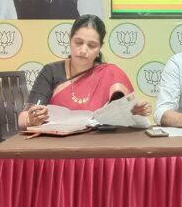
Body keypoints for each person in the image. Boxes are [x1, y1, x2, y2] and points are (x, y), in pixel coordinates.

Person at [19, 15, 151, 128]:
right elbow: (23, 118)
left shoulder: (111, 74)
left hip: (99, 144)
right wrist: (31, 119)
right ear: (69, 40)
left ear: (100, 48)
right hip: (58, 144)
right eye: (78, 42)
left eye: (92, 45)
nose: (83, 50)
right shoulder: (51, 71)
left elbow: (128, 117)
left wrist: (139, 111)